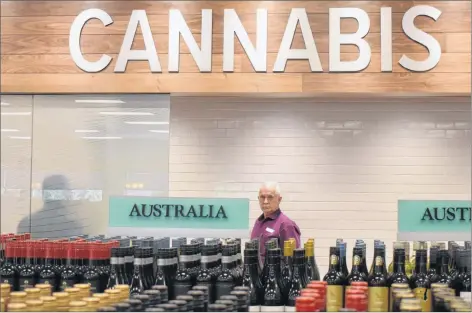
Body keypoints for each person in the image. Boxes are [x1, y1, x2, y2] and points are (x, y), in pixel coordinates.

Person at [250, 181, 301, 260]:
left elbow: (293, 260)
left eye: (270, 197)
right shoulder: (258, 222)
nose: (265, 201)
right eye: (262, 197)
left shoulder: (286, 225)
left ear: (279, 199)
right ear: (258, 198)